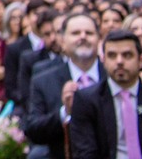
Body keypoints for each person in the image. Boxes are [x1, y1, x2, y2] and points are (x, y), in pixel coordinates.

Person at [24, 11, 105, 159]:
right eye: (75, 33)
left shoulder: (112, 76)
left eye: (89, 33)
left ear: (99, 39)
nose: (83, 37)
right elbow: (33, 130)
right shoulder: (43, 80)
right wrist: (65, 113)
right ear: (63, 40)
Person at [70, 29, 142, 159]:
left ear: (141, 60)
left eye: (127, 55)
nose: (119, 61)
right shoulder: (86, 100)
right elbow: (85, 153)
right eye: (112, 55)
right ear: (103, 59)